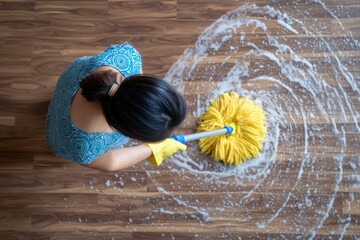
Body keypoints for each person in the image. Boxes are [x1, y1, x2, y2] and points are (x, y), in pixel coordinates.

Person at [45, 42, 187, 171]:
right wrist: (151, 149)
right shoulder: (84, 147)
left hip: (70, 82)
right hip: (59, 130)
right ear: (125, 129)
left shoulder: (127, 58)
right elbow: (111, 162)